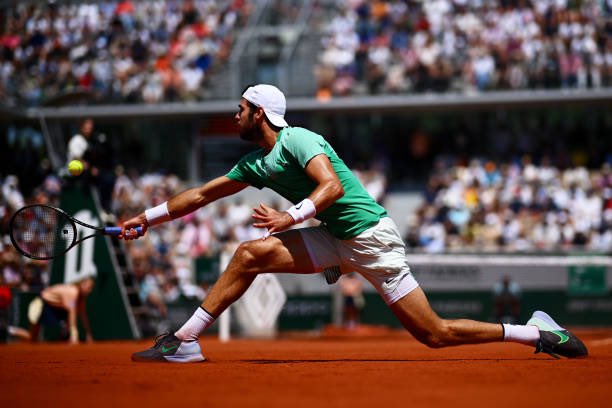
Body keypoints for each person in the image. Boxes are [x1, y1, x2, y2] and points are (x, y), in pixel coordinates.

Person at [121, 84, 588, 362]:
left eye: (240, 108)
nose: (235, 114)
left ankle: (536, 332)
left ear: (259, 113)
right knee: (247, 254)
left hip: (370, 238)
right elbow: (201, 195)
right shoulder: (255, 163)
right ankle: (186, 341)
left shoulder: (299, 139)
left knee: (434, 334)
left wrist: (289, 215)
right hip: (332, 237)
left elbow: (332, 189)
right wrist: (146, 218)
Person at [28, 277, 95, 344]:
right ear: (82, 285)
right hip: (40, 304)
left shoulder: (81, 298)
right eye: (89, 287)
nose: (90, 290)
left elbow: (83, 316)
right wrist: (74, 335)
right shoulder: (72, 292)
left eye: (91, 288)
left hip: (55, 307)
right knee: (32, 338)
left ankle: (64, 338)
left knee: (67, 316)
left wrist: (88, 334)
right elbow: (72, 313)